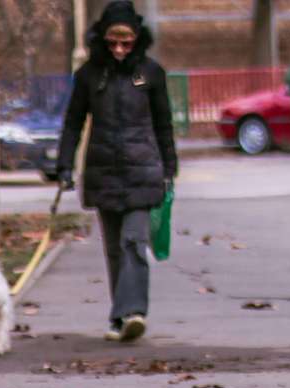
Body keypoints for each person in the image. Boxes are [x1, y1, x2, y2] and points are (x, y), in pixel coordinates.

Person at [53, 0, 178, 343]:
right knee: (113, 249)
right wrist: (63, 165)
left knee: (134, 241)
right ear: (102, 40)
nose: (120, 49)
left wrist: (169, 168)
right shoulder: (90, 75)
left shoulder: (150, 73)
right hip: (103, 171)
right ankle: (121, 317)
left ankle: (133, 312)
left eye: (126, 42)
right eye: (112, 42)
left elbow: (163, 124)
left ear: (137, 39)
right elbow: (73, 123)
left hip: (143, 170)